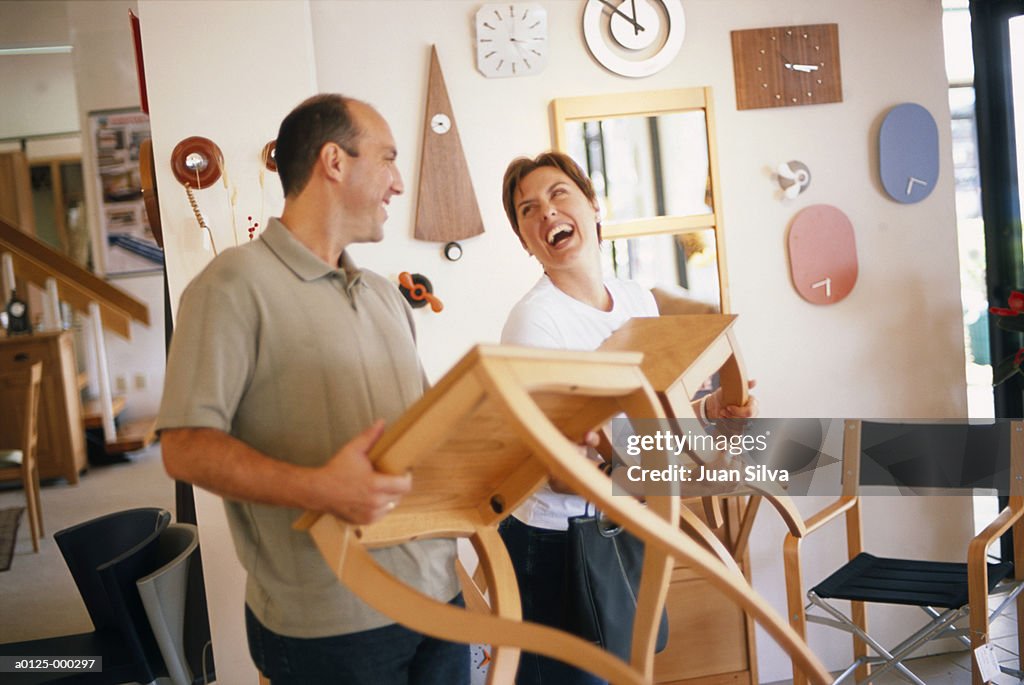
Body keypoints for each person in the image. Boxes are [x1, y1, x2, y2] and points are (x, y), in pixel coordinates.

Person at [156, 94, 468, 685]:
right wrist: (318, 488)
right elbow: (185, 447)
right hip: (329, 624)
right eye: (388, 159)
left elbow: (423, 435)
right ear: (335, 161)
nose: (398, 183)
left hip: (438, 594)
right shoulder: (228, 288)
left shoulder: (382, 294)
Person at [498, 151, 757, 685]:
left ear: (594, 207)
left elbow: (653, 411)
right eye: (528, 209)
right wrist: (653, 481)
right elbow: (556, 468)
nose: (546, 212)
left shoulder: (636, 298)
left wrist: (709, 409)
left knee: (625, 665)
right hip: (556, 538)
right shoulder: (533, 323)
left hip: (617, 517)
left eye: (558, 194)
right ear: (525, 240)